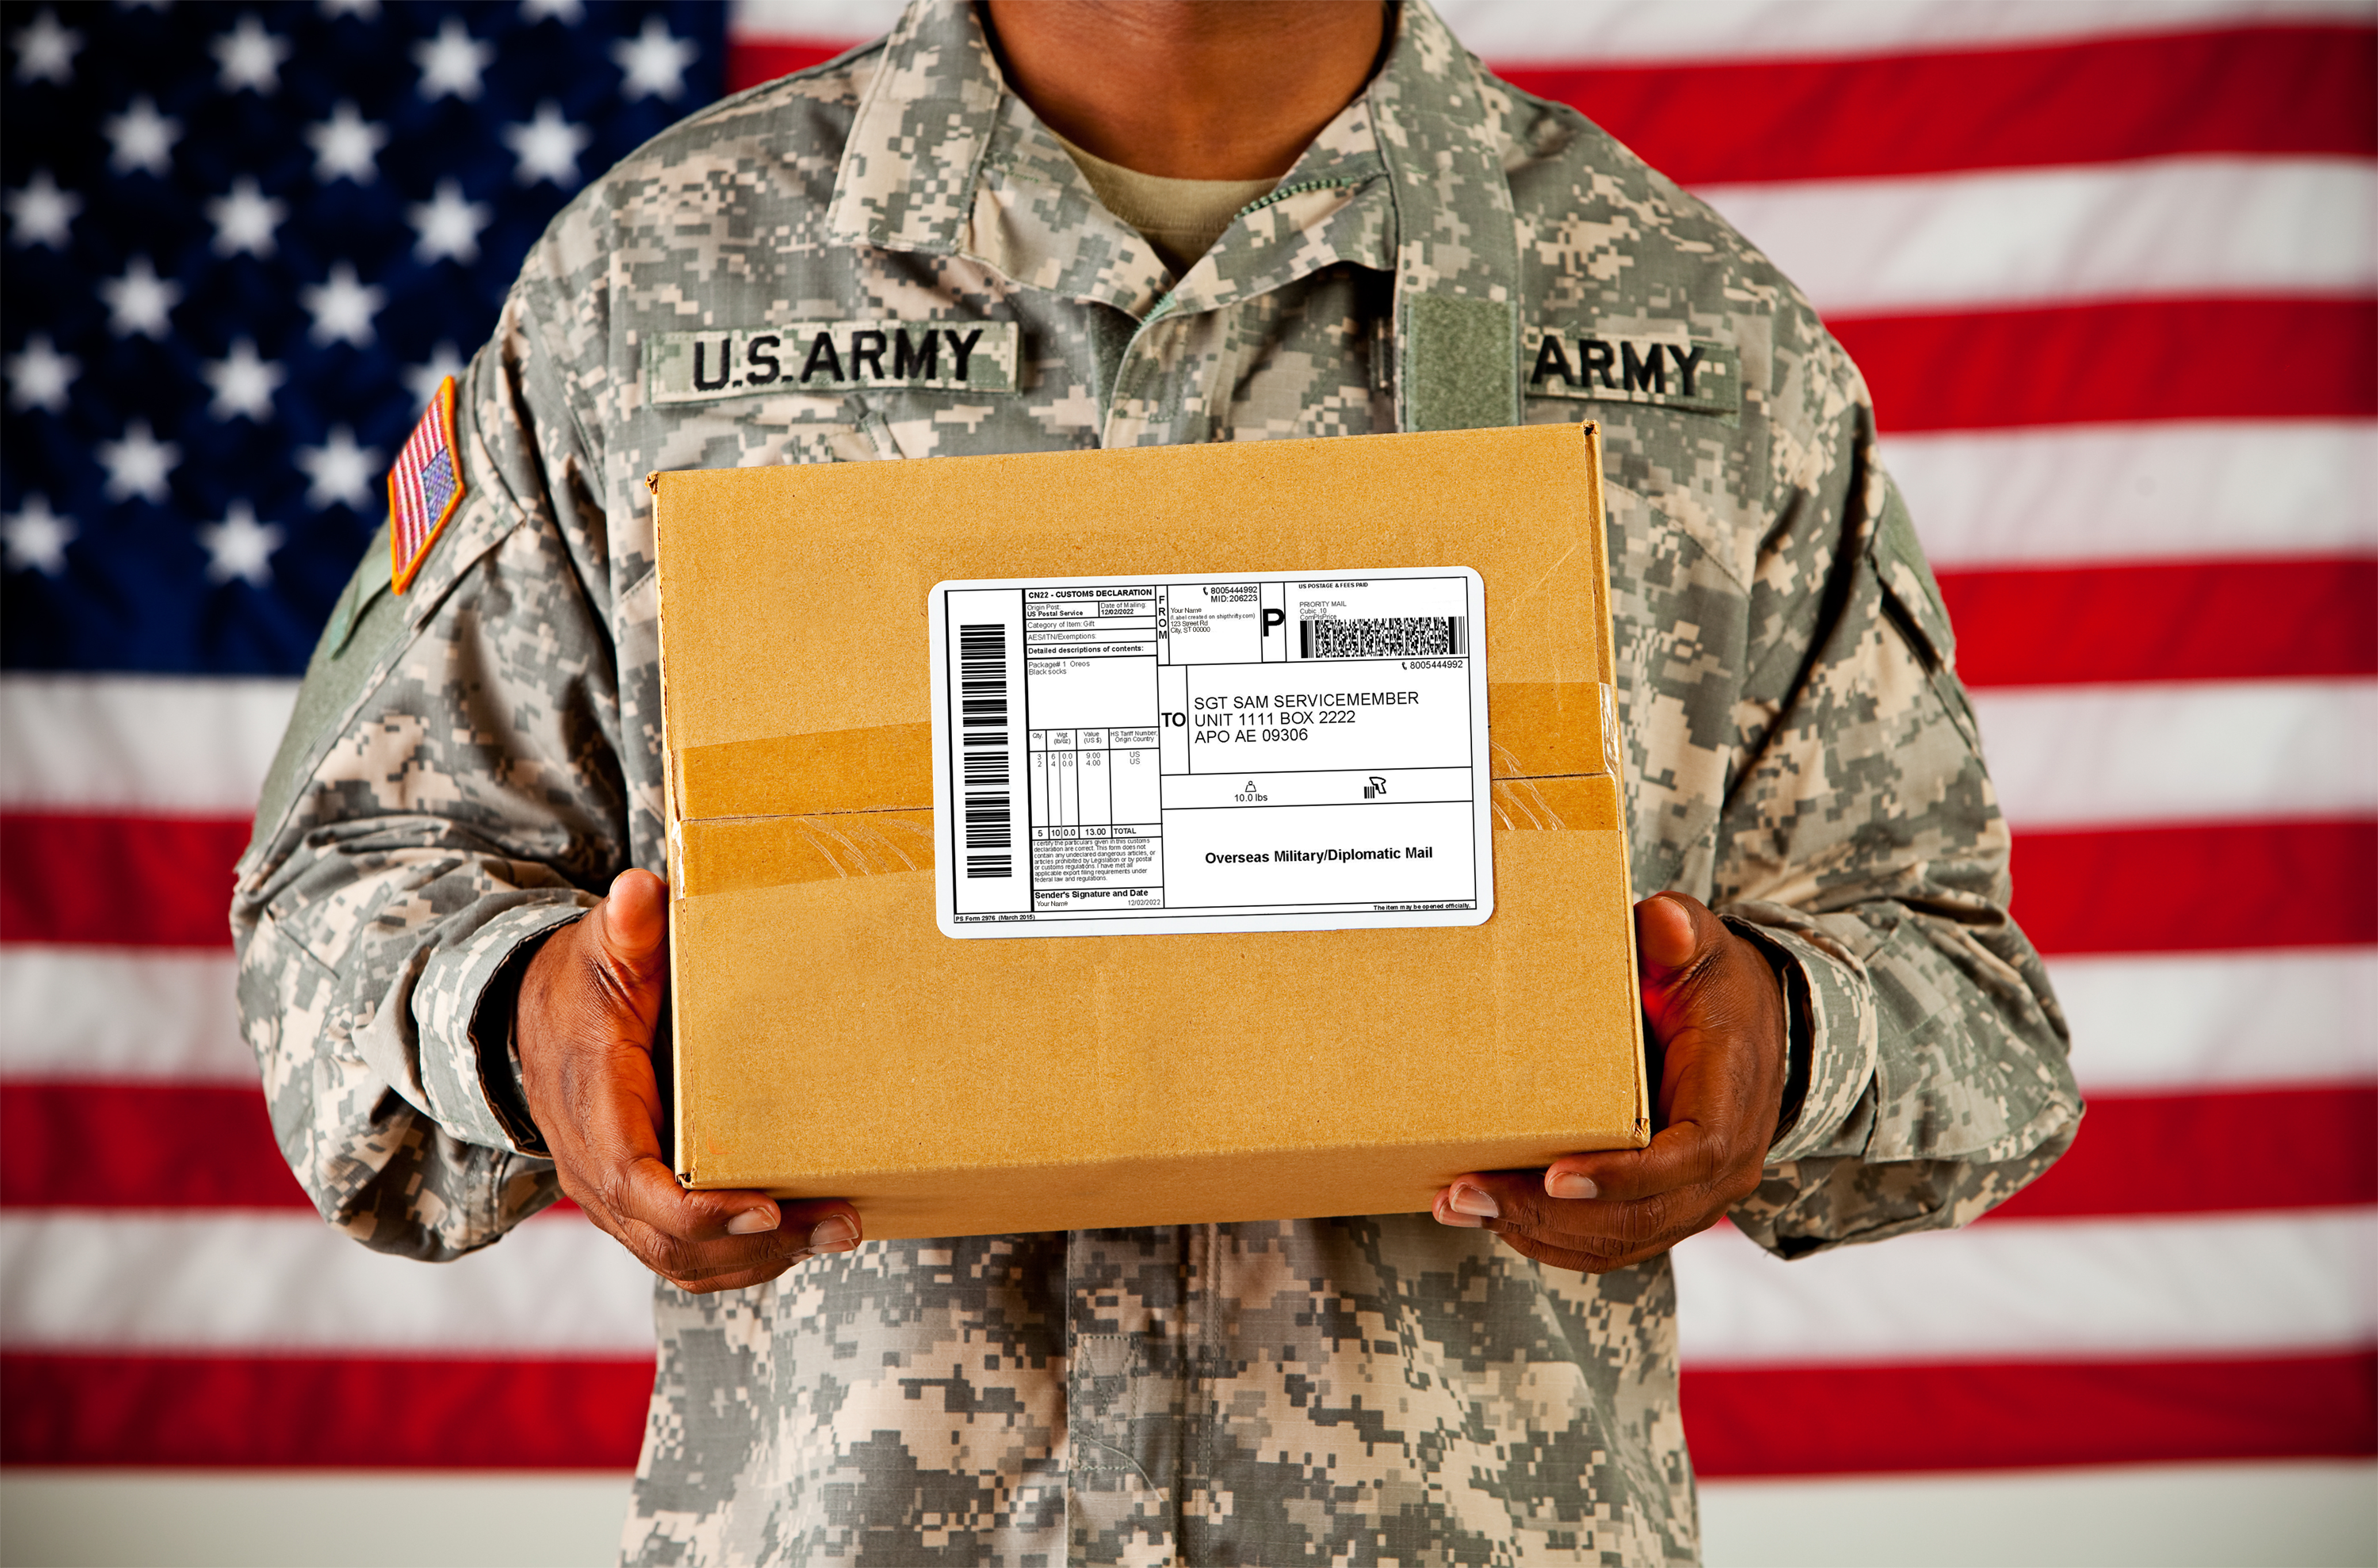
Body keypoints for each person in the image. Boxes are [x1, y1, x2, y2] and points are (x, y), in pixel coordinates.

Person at [231, 1, 2080, 1562]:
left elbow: (1973, 1004)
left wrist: (1788, 1038)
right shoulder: (656, 282)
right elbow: (347, 883)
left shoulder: (1700, 335)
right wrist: (525, 1022)